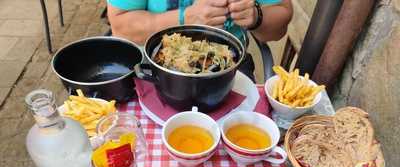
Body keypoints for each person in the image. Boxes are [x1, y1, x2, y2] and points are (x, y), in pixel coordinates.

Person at [107, 0, 293, 81]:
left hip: (230, 70)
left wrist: (256, 16)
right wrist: (185, 18)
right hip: (153, 66)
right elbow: (121, 27)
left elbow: (280, 24)